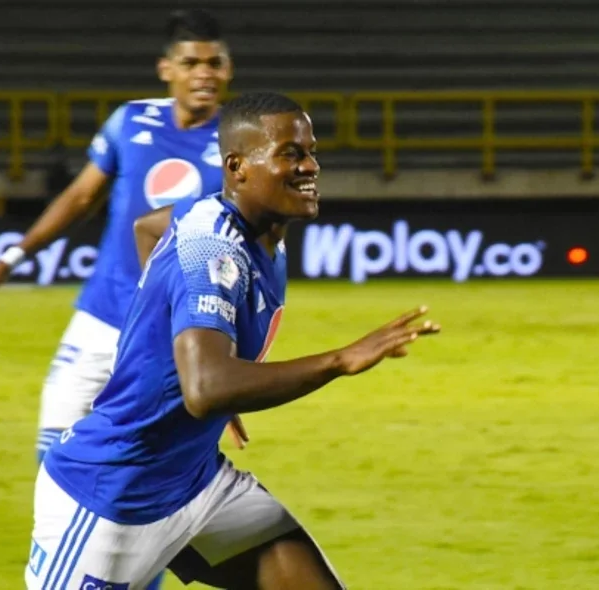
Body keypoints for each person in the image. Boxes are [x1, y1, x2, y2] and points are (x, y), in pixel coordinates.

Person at [26, 92, 440, 589]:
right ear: (238, 167)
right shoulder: (213, 247)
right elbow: (206, 391)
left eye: (311, 151)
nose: (310, 166)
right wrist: (337, 360)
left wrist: (203, 357)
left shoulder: (249, 229)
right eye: (290, 153)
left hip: (197, 484)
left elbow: (149, 229)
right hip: (113, 498)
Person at [0, 9, 241, 464]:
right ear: (166, 69)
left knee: (155, 474)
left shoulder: (238, 142)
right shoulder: (129, 122)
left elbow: (239, 252)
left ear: (228, 69)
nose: (205, 74)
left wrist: (222, 361)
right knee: (53, 453)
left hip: (170, 335)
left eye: (215, 63)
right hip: (101, 317)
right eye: (191, 64)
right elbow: (77, 199)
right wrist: (8, 260)